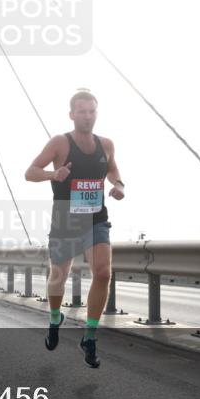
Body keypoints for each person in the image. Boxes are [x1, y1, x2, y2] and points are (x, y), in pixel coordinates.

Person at [25, 89, 125, 368]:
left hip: (96, 218)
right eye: (81, 111)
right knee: (59, 275)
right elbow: (30, 171)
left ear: (97, 113)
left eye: (91, 111)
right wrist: (52, 174)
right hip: (66, 220)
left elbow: (114, 170)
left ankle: (89, 337)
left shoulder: (106, 144)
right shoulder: (60, 142)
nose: (87, 116)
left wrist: (118, 185)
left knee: (103, 273)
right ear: (72, 115)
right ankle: (55, 317)